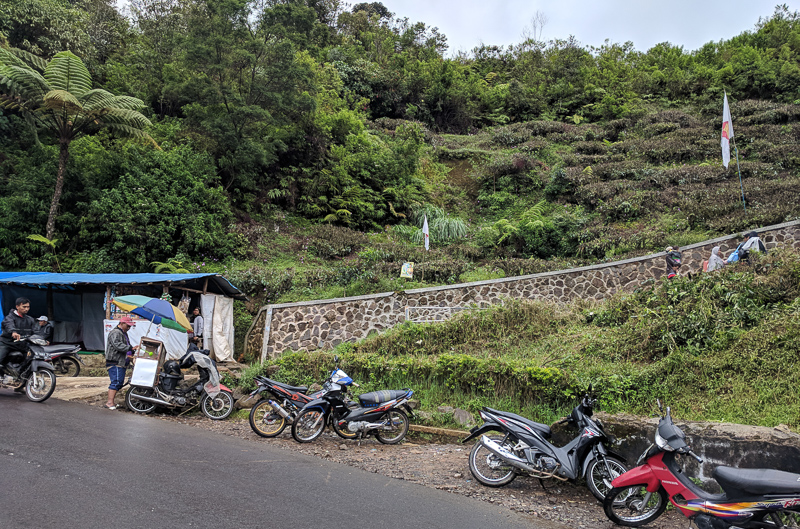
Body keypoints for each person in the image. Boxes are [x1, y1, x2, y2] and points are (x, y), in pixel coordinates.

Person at [104, 315, 139, 410]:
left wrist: (131, 351)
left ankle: (111, 402)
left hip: (121, 362)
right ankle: (109, 403)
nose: (129, 328)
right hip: (115, 362)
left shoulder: (123, 333)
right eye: (128, 326)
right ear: (122, 323)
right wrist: (130, 348)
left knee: (119, 382)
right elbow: (117, 345)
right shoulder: (115, 333)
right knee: (115, 382)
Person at [0, 297, 37, 379]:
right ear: (17, 306)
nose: (26, 309)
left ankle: (21, 381)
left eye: (28, 307)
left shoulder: (30, 319)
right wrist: (13, 332)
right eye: (24, 307)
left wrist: (41, 339)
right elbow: (9, 325)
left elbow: (35, 332)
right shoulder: (10, 317)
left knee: (29, 362)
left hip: (22, 345)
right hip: (7, 343)